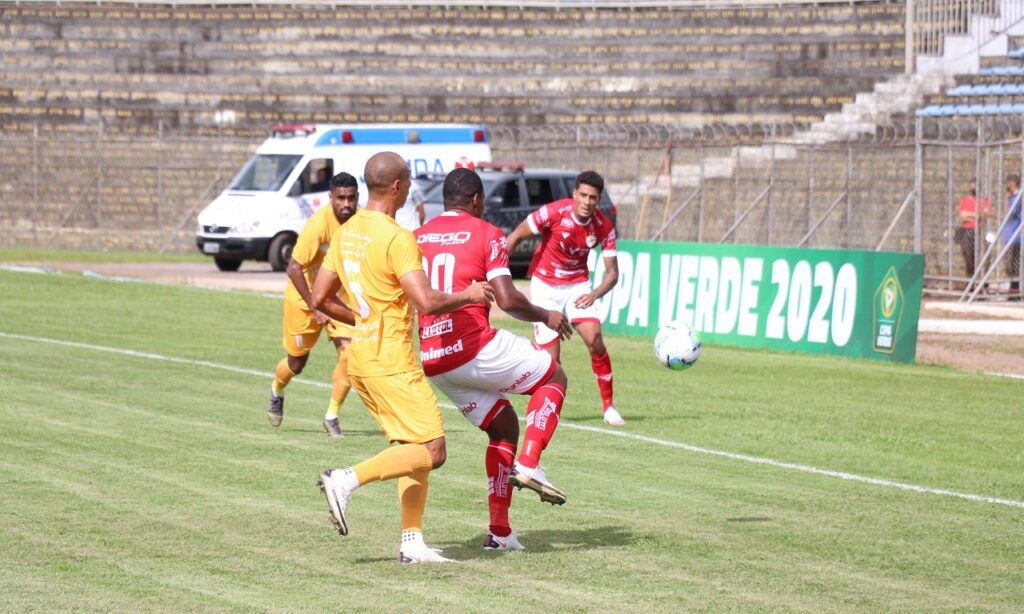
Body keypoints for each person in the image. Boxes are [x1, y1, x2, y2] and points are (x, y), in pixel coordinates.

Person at [310, 152, 494, 564]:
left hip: (361, 358)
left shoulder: (347, 230)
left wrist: (362, 316)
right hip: (393, 362)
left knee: (409, 445)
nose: (411, 186)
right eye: (409, 180)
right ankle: (345, 480)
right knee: (434, 449)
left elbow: (320, 297)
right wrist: (470, 293)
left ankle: (412, 541)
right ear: (396, 187)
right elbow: (426, 301)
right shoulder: (397, 238)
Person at [414, 168, 574, 551]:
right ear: (475, 200)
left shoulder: (418, 236)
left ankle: (500, 533)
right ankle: (531, 463)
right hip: (474, 346)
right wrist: (545, 315)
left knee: (503, 428)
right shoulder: (486, 233)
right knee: (553, 377)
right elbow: (507, 299)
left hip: (435, 358)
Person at [506, 170, 624, 426]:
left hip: (577, 285)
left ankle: (609, 407)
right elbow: (516, 236)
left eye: (593, 197)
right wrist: (497, 271)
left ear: (598, 199)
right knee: (552, 361)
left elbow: (613, 274)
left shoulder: (603, 226)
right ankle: (546, 408)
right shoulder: (553, 212)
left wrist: (594, 294)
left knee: (595, 340)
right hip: (545, 285)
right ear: (574, 195)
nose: (587, 201)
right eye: (582, 195)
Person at [267, 172, 359, 437]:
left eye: (351, 198)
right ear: (330, 198)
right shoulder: (318, 225)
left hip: (339, 298)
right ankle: (277, 389)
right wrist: (315, 306)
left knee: (349, 354)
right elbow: (294, 267)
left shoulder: (360, 223)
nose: (346, 204)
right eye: (340, 198)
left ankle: (332, 416)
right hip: (304, 298)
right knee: (297, 364)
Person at [954, 179, 990, 284]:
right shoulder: (964, 200)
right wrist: (976, 215)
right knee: (969, 258)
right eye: (972, 186)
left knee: (985, 258)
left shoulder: (984, 200)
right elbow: (962, 217)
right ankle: (970, 283)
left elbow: (984, 216)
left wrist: (969, 215)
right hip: (966, 231)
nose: (973, 188)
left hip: (980, 231)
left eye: (975, 186)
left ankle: (983, 283)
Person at [1003, 174, 1022, 299]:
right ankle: (1012, 290)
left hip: (1016, 235)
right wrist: (1006, 199)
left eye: (1008, 182)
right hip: (1008, 234)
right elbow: (1006, 215)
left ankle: (1014, 292)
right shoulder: (1011, 197)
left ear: (1014, 182)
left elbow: (1011, 213)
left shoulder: (1019, 197)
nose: (1007, 184)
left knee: (1014, 264)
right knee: (1009, 264)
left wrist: (1006, 200)